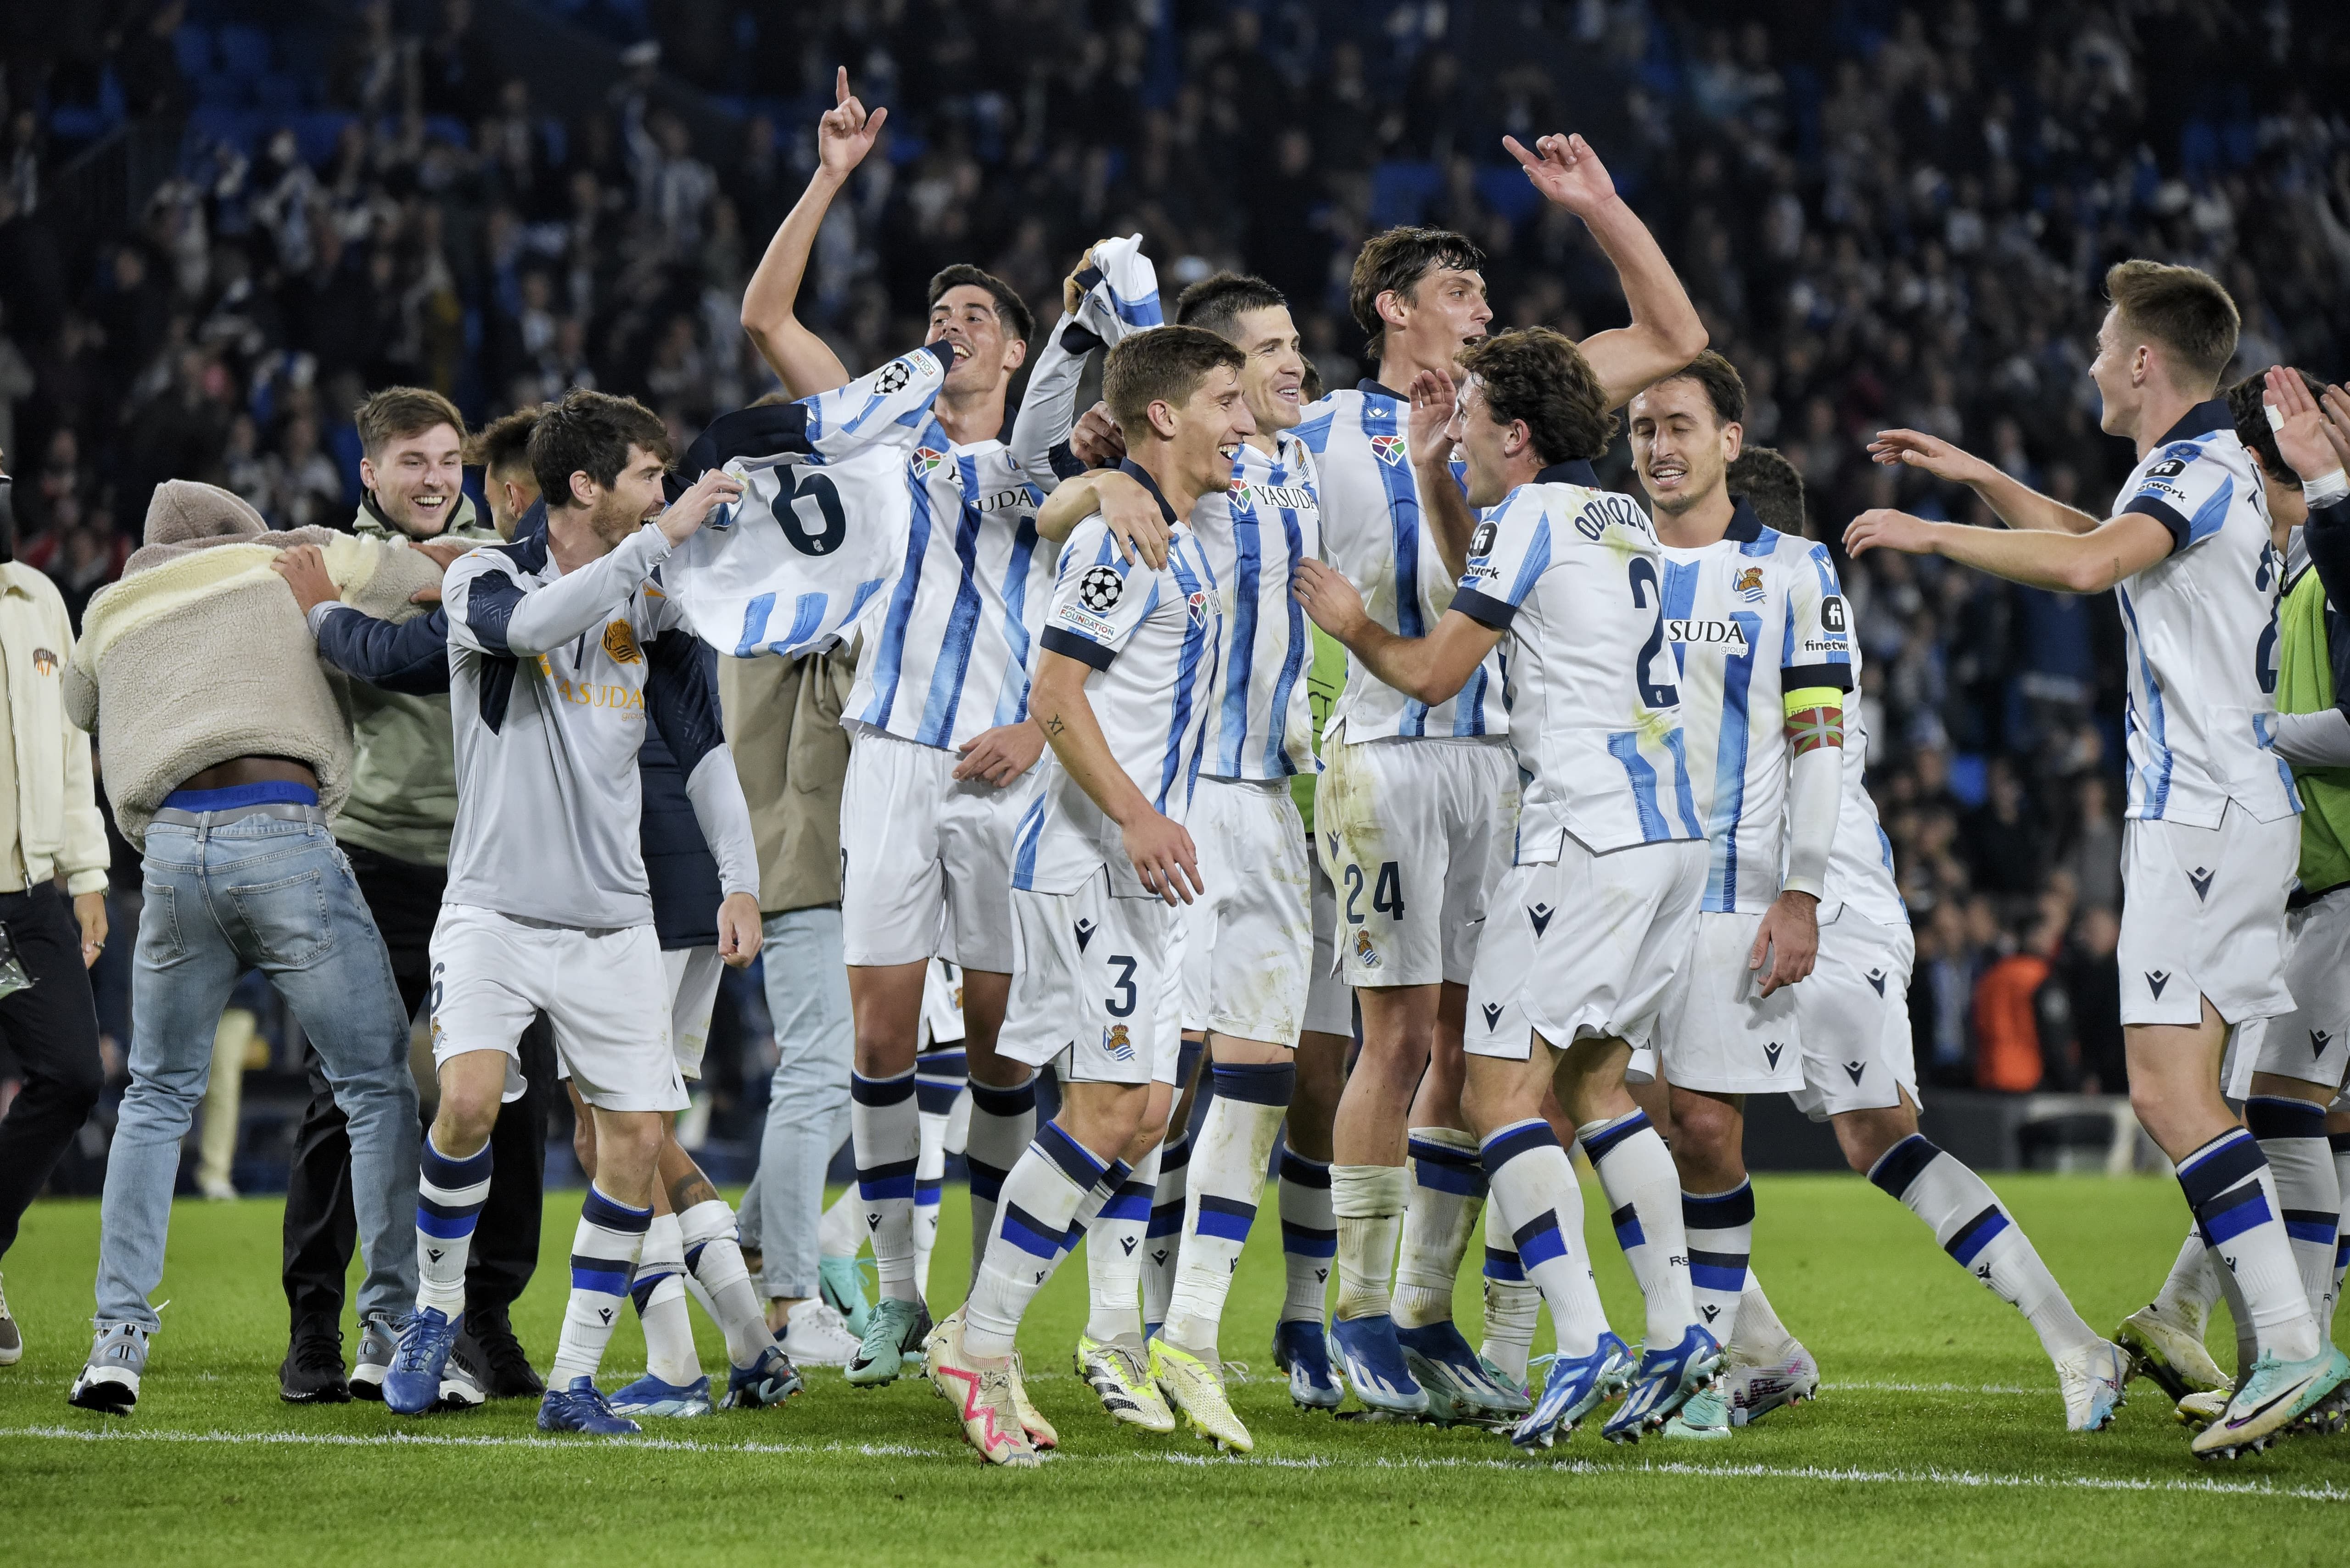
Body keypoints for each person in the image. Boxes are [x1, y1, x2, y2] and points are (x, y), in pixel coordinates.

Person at [1846, 261, 2349, 1457]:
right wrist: (1979, 477)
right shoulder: (2213, 475)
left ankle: (2288, 1342)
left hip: (2203, 815)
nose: (2085, 363)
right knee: (2214, 1091)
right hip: (2237, 813)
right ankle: (2279, 1337)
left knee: (2175, 1090)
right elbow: (2102, 541)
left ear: (2142, 362)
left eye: (2100, 343)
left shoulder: (2189, 467)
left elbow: (2084, 568)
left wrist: (1932, 532)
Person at [1291, 131, 1706, 1417]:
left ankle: (1425, 1310)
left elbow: (1674, 328)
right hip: (1388, 757)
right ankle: (1354, 1312)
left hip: (1514, 769)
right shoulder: (1315, 430)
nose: (1484, 304)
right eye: (1459, 289)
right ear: (1392, 309)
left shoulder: (1523, 408)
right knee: (1403, 1036)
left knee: (1487, 1063)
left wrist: (1601, 207)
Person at [374, 389, 783, 1435]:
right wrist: (662, 537)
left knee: (635, 1144)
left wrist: (739, 877)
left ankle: (573, 1383)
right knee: (465, 1101)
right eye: (650, 475)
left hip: (612, 924)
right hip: (495, 914)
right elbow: (536, 627)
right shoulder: (483, 578)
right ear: (585, 489)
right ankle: (431, 1315)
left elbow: (703, 753)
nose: (667, 491)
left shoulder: (652, 608)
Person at [738, 71, 1051, 1387]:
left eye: (976, 316)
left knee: (995, 1042)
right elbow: (766, 317)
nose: (952, 325)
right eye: (940, 312)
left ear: (1021, 352)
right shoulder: (883, 437)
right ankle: (900, 1297)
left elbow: (1111, 605)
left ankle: (986, 1297)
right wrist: (829, 180)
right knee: (879, 1035)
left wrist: (1043, 727)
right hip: (892, 757)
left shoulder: (1063, 455)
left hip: (1008, 765)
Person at [1718, 433, 2129, 1434]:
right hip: (1748, 900)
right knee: (1636, 1100)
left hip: (1824, 901)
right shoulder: (1731, 598)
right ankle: (1753, 1348)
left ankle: (2077, 1343)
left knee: (1878, 1135)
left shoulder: (1782, 594)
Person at [1027, 267, 1350, 1443]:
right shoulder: (1171, 454)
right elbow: (1046, 511)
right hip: (1179, 791)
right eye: (1264, 351)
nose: (1290, 366)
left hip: (1270, 792)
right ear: (1208, 376)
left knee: (1253, 1075)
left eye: (1296, 345)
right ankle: (1114, 1317)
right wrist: (1102, 476)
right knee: (1141, 1084)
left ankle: (1189, 1331)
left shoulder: (1309, 451)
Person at [924, 325, 1245, 1466]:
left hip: (1142, 868)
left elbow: (1056, 508)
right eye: (1224, 397)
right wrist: (1137, 815)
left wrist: (1098, 476)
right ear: (1166, 414)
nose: (1244, 418)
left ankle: (982, 1331)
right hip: (1094, 861)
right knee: (1111, 1110)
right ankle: (980, 1342)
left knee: (1144, 1112)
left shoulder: (1179, 528)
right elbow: (1056, 695)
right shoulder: (1126, 546)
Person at [63, 480, 437, 1413]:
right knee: (375, 1083)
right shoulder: (287, 555)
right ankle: (386, 1333)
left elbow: (74, 701)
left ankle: (116, 1344)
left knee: (155, 1099)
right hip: (284, 831)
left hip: (173, 853)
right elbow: (437, 573)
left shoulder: (111, 604)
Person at [276, 386, 545, 1410]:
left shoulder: (491, 559)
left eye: (447, 461)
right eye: (411, 462)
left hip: (493, 868)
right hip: (374, 859)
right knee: (345, 1094)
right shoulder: (325, 567)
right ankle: (314, 1324)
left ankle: (484, 1318)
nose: (434, 479)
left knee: (514, 1096)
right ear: (369, 475)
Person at [2130, 367, 2350, 1429]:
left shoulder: (2318, 574)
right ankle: (2278, 1350)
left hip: (2337, 882)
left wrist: (2251, 732)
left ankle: (2293, 1359)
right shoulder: (2295, 573)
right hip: (2309, 880)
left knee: (2271, 1109)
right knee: (2283, 1110)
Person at [0, 449, 111, 1370]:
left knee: (73, 1073)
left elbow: (73, 746)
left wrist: (86, 870)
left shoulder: (37, 596)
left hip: (29, 888)